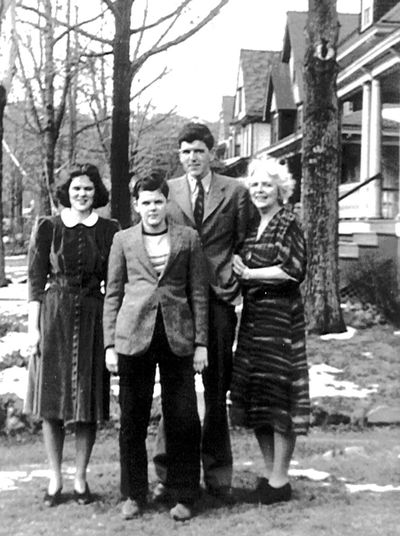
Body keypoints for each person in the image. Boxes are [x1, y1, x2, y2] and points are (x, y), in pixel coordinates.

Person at [153, 122, 252, 502]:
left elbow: (244, 240)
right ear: (179, 156)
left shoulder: (234, 192)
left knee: (215, 387)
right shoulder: (169, 191)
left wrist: (232, 279)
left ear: (212, 153)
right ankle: (169, 472)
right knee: (176, 389)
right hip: (177, 300)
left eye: (198, 150)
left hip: (217, 299)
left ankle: (218, 474)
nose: (192, 157)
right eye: (185, 151)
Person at [103, 174, 208, 521]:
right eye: (145, 202)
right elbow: (114, 294)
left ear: (167, 202)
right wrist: (109, 345)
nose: (152, 208)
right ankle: (133, 493)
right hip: (134, 337)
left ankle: (184, 493)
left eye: (158, 201)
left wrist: (201, 343)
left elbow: (198, 294)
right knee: (132, 420)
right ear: (137, 205)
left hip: (177, 336)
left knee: (184, 419)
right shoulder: (123, 239)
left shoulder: (187, 238)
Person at [25, 163, 119, 507]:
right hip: (55, 315)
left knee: (87, 402)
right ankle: (55, 478)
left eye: (89, 189)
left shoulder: (109, 229)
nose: (82, 194)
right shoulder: (48, 227)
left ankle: (80, 479)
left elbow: (115, 283)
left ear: (97, 193)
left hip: (93, 315)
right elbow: (36, 282)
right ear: (67, 192)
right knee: (52, 402)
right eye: (77, 188)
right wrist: (33, 329)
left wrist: (112, 332)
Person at [231, 157, 310, 504]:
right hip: (253, 318)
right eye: (256, 184)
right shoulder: (252, 227)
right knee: (259, 396)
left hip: (280, 319)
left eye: (267, 184)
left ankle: (280, 480)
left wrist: (249, 275)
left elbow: (292, 270)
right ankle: (269, 474)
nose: (260, 190)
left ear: (281, 189)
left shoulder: (287, 222)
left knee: (279, 398)